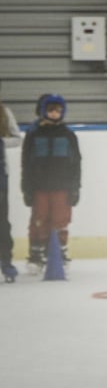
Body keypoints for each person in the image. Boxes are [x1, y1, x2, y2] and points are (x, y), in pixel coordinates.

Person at [21, 94, 82, 273]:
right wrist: (27, 188)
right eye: (51, 110)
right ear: (43, 112)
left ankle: (59, 253)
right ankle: (36, 254)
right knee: (39, 219)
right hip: (40, 187)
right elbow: (26, 163)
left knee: (60, 220)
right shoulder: (34, 134)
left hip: (62, 187)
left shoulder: (68, 135)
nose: (55, 114)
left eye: (58, 111)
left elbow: (76, 163)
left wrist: (75, 188)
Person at [0, 83, 22, 283]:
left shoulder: (4, 112)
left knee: (2, 224)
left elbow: (17, 139)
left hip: (0, 178)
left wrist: (1, 142)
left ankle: (6, 262)